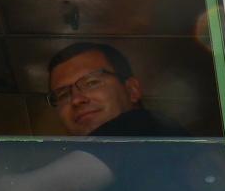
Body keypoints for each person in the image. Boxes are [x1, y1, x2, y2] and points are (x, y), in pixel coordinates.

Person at [47, 42, 183, 136]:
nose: (76, 100)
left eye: (92, 83)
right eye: (63, 95)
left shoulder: (153, 129)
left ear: (132, 90)